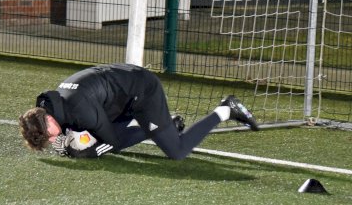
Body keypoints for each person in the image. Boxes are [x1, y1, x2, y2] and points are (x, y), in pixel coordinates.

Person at [19, 63, 258, 160]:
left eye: (49, 134)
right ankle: (166, 126)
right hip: (117, 97)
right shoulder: (49, 105)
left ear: (48, 118)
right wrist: (72, 138)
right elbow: (75, 126)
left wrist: (84, 152)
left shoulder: (79, 108)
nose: (52, 139)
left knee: (177, 151)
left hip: (143, 92)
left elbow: (111, 142)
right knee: (92, 130)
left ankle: (226, 109)